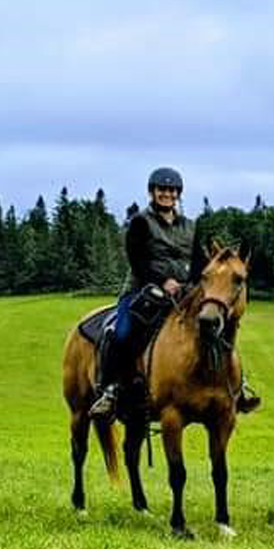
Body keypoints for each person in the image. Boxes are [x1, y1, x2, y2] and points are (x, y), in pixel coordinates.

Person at [88, 168, 198, 420]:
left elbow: (199, 261)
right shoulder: (140, 222)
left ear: (178, 194)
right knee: (121, 332)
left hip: (184, 293)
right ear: (152, 192)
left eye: (171, 190)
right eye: (162, 190)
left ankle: (235, 387)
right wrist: (163, 280)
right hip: (142, 291)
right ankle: (110, 389)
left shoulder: (190, 226)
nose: (167, 194)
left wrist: (192, 284)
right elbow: (137, 260)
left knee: (215, 325)